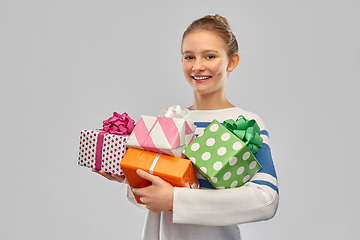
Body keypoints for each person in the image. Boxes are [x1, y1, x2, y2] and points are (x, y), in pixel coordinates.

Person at [93, 14, 279, 240]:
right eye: (189, 57)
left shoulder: (246, 124)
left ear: (232, 61)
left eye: (210, 56)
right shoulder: (170, 121)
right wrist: (131, 177)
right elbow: (156, 204)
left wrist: (175, 199)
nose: (197, 66)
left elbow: (265, 200)